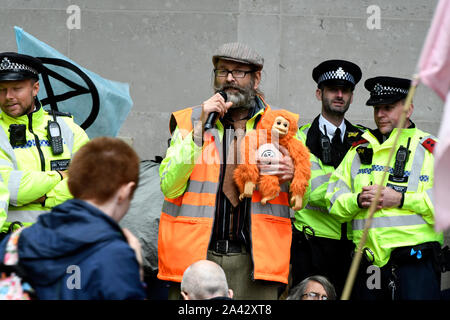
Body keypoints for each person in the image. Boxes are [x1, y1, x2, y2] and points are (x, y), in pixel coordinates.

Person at [158, 42, 300, 299]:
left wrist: (292, 175)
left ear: (256, 79)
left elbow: (303, 199)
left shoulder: (282, 126)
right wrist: (199, 132)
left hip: (255, 264)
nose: (230, 78)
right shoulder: (189, 121)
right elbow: (169, 185)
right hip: (196, 257)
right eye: (223, 71)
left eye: (239, 72)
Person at [325, 76, 443, 300]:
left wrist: (400, 199)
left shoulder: (431, 149)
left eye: (388, 108)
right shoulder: (358, 150)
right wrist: (357, 200)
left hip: (414, 264)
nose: (380, 115)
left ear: (408, 110)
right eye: (376, 108)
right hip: (369, 265)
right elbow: (333, 200)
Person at [0, 137, 146, 300]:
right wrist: (136, 272)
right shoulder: (116, 255)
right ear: (125, 191)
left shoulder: (14, 242)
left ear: (71, 184)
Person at [291, 60, 364, 296]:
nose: (339, 95)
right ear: (319, 93)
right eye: (333, 89)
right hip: (311, 245)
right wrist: (352, 197)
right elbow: (308, 190)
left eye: (346, 90)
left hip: (351, 248)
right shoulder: (299, 139)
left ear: (352, 96)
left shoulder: (364, 141)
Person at [0, 52, 89, 233]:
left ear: (35, 88)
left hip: (65, 239)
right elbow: (12, 189)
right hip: (13, 242)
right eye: (1, 89)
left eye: (17, 88)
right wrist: (59, 176)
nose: (8, 96)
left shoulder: (68, 128)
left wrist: (46, 197)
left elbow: (92, 184)